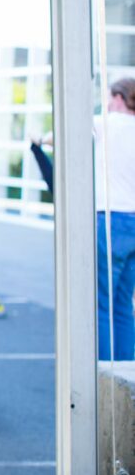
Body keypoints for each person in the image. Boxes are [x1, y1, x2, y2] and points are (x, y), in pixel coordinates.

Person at [95, 77, 135, 360]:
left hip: (111, 220)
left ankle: (103, 374)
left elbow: (56, 134)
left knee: (102, 303)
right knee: (123, 305)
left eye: (109, 98)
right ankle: (125, 374)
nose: (106, 104)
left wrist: (37, 140)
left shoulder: (106, 123)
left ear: (119, 98)